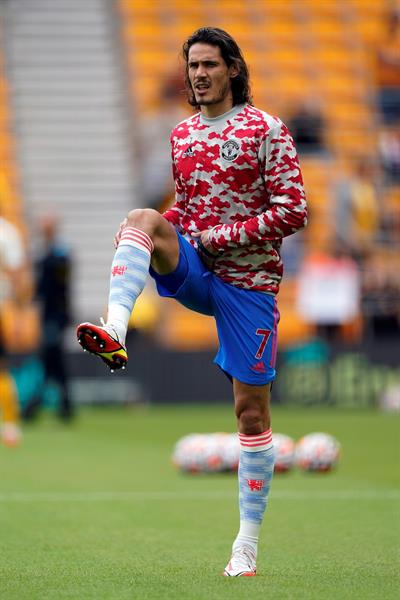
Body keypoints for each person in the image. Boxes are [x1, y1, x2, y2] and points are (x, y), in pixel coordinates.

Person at [77, 27, 307, 577]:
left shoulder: (265, 129)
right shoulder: (182, 135)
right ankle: (116, 329)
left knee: (250, 413)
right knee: (140, 219)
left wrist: (215, 238)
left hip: (249, 285)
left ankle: (246, 544)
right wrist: (155, 235)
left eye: (208, 64)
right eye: (192, 66)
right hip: (200, 268)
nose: (198, 74)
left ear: (232, 68)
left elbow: (293, 211)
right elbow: (187, 209)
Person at [22, 215, 73, 421]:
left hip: (56, 316)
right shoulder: (45, 252)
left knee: (50, 361)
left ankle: (33, 407)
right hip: (48, 315)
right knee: (54, 362)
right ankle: (64, 407)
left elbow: (59, 283)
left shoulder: (59, 252)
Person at [0, 215, 28, 446]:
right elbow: (16, 273)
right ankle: (9, 425)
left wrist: (19, 314)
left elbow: (16, 274)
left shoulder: (6, 232)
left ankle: (10, 424)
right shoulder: (7, 232)